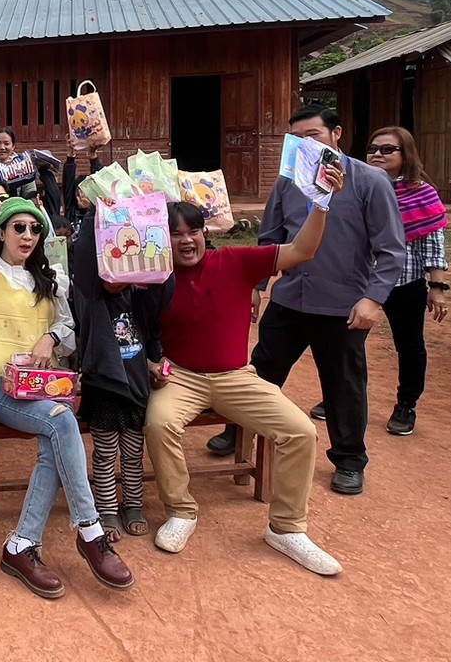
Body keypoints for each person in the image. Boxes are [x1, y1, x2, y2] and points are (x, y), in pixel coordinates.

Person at [0, 144, 133, 599]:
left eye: (35, 228)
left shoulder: (50, 278)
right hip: (1, 389)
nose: (28, 234)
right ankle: (90, 529)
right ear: (1, 232)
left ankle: (22, 544)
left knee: (56, 437)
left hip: (45, 388)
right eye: (19, 227)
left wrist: (51, 339)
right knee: (63, 422)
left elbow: (68, 326)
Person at [145, 193, 345, 576]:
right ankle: (180, 510)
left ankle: (286, 528)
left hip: (235, 376)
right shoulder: (154, 278)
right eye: (174, 234)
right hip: (180, 375)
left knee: (301, 431)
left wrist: (320, 205)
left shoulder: (236, 261)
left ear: (205, 233)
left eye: (193, 231)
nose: (186, 240)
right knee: (159, 422)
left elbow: (302, 250)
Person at [210, 105, 404, 497]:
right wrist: (256, 285)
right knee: (259, 373)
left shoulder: (370, 182)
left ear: (336, 134)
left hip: (343, 306)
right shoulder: (289, 182)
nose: (304, 144)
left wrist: (373, 299)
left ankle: (349, 460)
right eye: (296, 139)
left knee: (344, 385)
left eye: (312, 135)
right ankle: (238, 432)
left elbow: (391, 249)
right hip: (290, 299)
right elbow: (270, 239)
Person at [71, 200, 163, 540]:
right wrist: (96, 212)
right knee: (106, 453)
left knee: (134, 453)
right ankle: (107, 510)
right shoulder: (91, 298)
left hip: (136, 390)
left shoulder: (140, 298)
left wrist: (153, 219)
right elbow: (83, 258)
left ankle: (134, 505)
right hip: (104, 388)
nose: (117, 277)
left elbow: (163, 287)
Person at [365, 125, 451, 437]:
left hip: (405, 281)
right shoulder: (359, 186)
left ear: (406, 154)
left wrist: (436, 287)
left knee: (410, 345)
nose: (378, 154)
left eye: (388, 149)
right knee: (345, 343)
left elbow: (433, 242)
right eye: (373, 149)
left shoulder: (421, 193)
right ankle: (340, 397)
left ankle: (406, 405)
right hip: (362, 281)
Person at [0, 128, 40, 199]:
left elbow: (30, 193)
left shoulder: (23, 167)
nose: (2, 147)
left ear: (13, 146)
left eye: (6, 144)